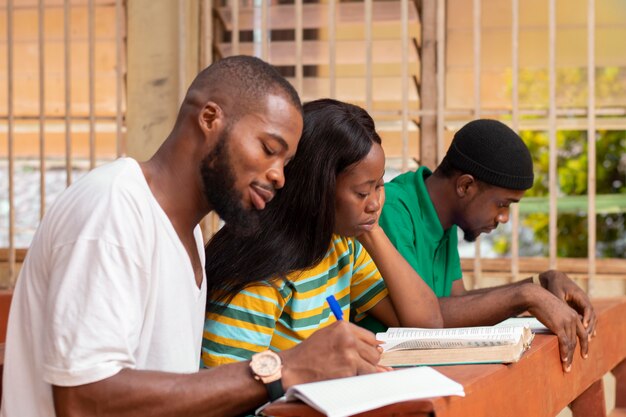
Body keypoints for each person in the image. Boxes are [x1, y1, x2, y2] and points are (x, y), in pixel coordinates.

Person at [1, 56, 384, 417]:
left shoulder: (189, 238)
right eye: (269, 149)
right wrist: (283, 367)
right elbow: (83, 400)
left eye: (285, 163)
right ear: (210, 118)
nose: (278, 176)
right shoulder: (114, 207)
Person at [201, 99, 443, 368]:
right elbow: (225, 386)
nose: (375, 203)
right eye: (362, 192)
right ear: (317, 190)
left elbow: (427, 326)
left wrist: (371, 230)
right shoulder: (260, 278)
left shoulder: (342, 245)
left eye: (380, 185)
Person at [360, 119, 597, 373]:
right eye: (503, 204)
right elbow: (425, 319)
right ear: (465, 185)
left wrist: (540, 284)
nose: (504, 218)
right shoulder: (391, 210)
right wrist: (527, 296)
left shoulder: (444, 219)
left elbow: (456, 301)